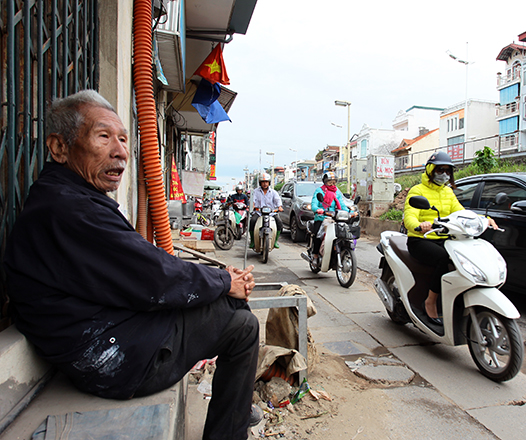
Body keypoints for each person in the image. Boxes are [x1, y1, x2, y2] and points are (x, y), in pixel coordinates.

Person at [3, 90, 260, 440]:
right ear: (60, 148)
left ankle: (237, 411)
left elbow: (144, 267)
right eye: (103, 137)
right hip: (113, 359)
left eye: (123, 139)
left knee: (230, 306)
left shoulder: (66, 198)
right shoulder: (70, 209)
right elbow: (156, 278)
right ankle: (232, 424)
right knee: (242, 324)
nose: (120, 152)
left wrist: (220, 279)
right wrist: (224, 281)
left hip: (105, 337)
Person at [404, 151, 497, 327]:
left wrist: (483, 219)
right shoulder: (418, 190)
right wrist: (419, 225)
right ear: (431, 170)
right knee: (443, 258)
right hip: (421, 239)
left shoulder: (448, 192)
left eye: (447, 171)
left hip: (445, 238)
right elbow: (410, 216)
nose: (444, 174)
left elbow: (461, 212)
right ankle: (430, 301)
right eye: (440, 170)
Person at [309, 172, 348, 267]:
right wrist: (318, 209)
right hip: (322, 218)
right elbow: (314, 203)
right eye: (330, 182)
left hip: (334, 218)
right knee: (318, 234)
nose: (332, 184)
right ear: (325, 182)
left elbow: (342, 205)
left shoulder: (337, 192)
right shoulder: (319, 191)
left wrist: (349, 212)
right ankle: (315, 255)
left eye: (334, 182)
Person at [249, 172, 283, 249]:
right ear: (260, 183)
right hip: (259, 212)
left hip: (271, 213)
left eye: (266, 182)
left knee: (279, 222)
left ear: (269, 183)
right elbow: (253, 201)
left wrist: (279, 207)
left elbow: (278, 201)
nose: (265, 184)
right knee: (252, 221)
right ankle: (253, 241)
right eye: (263, 182)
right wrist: (252, 206)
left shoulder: (273, 192)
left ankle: (275, 241)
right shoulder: (256, 191)